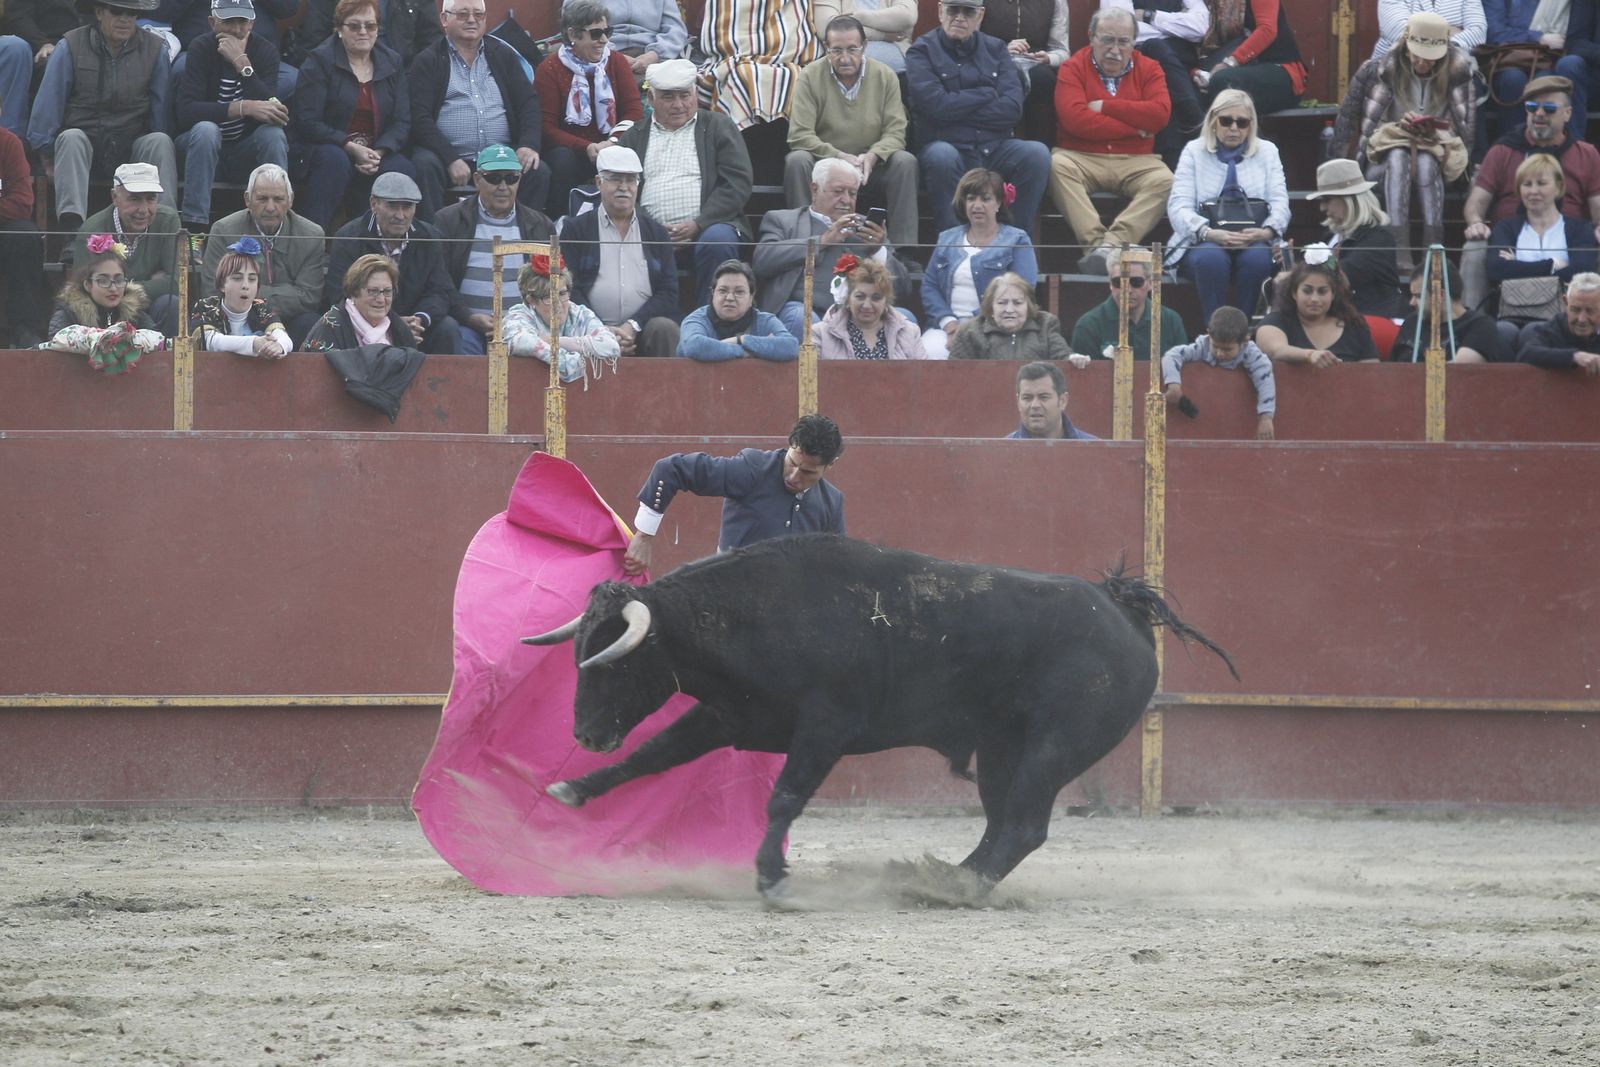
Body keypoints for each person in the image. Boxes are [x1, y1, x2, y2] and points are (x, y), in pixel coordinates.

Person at [1331, 12, 1475, 275]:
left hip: (1438, 156)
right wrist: (1338, 172)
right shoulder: (1378, 69)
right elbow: (1346, 117)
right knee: (1399, 155)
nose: (1421, 62)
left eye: (1430, 58)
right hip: (1383, 157)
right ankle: (1400, 249)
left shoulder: (1458, 72)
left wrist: (1434, 131)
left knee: (1424, 159)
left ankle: (1433, 246)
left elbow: (1466, 130)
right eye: (1416, 54)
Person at [623, 412, 846, 574]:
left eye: (807, 472)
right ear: (789, 447)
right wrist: (644, 536)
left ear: (831, 465)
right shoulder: (752, 469)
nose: (794, 477)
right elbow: (671, 469)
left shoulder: (831, 502)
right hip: (729, 594)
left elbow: (835, 566)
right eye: (791, 463)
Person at [27, 0, 177, 231]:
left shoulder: (156, 49)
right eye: (117, 11)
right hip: (84, 146)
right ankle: (72, 231)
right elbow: (48, 103)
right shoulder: (70, 44)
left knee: (160, 140)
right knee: (71, 137)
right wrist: (47, 156)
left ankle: (165, 232)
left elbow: (161, 115)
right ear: (99, 12)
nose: (125, 18)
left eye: (132, 12)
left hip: (130, 147)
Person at [905, 0, 1052, 236]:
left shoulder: (996, 49)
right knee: (941, 156)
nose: (960, 17)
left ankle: (1014, 243)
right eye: (953, 10)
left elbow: (1012, 109)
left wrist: (956, 105)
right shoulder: (921, 51)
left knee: (1036, 154)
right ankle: (954, 248)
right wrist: (986, 93)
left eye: (968, 11)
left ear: (980, 15)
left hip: (995, 147)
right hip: (949, 146)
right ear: (941, 11)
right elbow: (936, 106)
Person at [615, 58, 752, 307]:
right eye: (668, 97)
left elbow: (737, 183)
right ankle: (650, 329)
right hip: (650, 233)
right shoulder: (633, 137)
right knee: (627, 243)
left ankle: (709, 323)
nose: (678, 105)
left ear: (696, 94)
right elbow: (618, 189)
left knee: (718, 240)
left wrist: (699, 223)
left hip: (710, 228)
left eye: (685, 96)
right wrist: (650, 227)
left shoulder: (718, 126)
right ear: (651, 99)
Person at [1050, 8, 1174, 274]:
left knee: (1165, 180)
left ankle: (1112, 244)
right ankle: (1097, 245)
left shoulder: (1150, 69)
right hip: (1080, 156)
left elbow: (1160, 115)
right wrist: (1136, 126)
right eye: (1107, 39)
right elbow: (1075, 120)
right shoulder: (1072, 67)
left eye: (1123, 41)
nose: (1115, 49)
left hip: (1137, 160)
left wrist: (1105, 106)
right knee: (1055, 165)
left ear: (1133, 42)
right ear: (1091, 37)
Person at [1462, 76, 1600, 309]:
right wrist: (1476, 223)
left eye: (1549, 109)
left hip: (1572, 240)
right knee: (1474, 249)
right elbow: (1476, 203)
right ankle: (1471, 326)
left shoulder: (1586, 154)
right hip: (1509, 239)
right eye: (1532, 108)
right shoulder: (1502, 150)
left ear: (1567, 113)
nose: (1539, 115)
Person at [784, 15, 919, 251]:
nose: (845, 58)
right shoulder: (809, 76)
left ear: (865, 47)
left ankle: (903, 251)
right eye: (836, 50)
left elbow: (896, 130)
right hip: (826, 166)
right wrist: (838, 157)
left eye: (852, 49)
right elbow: (799, 135)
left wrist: (874, 155)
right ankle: (806, 244)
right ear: (826, 48)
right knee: (797, 160)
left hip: (870, 167)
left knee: (905, 162)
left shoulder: (885, 76)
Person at [407, 0, 549, 221]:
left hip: (501, 156)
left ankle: (525, 241)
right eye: (463, 14)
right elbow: (420, 118)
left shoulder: (503, 55)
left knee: (538, 171)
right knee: (423, 164)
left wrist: (528, 145)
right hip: (449, 157)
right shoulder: (428, 60)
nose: (472, 20)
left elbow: (528, 104)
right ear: (445, 20)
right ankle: (434, 241)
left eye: (478, 14)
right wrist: (450, 158)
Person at [289, 0, 418, 231]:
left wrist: (378, 152)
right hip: (328, 147)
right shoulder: (318, 61)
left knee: (402, 169)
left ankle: (388, 244)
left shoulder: (393, 62)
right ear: (339, 29)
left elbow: (402, 121)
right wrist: (349, 146)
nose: (363, 32)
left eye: (370, 26)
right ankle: (313, 239)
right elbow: (308, 121)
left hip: (376, 149)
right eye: (354, 26)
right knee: (334, 161)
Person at [1167, 88, 1288, 320]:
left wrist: (1265, 232)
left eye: (1242, 122)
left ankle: (1243, 331)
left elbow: (1280, 201)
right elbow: (1178, 205)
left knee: (1257, 260)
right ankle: (1216, 331)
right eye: (1226, 121)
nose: (1234, 128)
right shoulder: (1194, 151)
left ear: (1250, 125)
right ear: (1213, 121)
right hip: (1205, 237)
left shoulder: (1268, 151)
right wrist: (1208, 233)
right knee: (1210, 259)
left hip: (1254, 237)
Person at [755, 156, 905, 342]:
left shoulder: (869, 230)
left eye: (852, 193)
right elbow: (762, 261)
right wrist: (823, 240)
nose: (846, 200)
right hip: (805, 309)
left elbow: (903, 287)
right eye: (838, 191)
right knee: (801, 316)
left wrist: (878, 250)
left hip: (861, 313)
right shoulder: (783, 221)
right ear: (815, 189)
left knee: (906, 320)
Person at [174, 0, 289, 233]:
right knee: (207, 130)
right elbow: (186, 112)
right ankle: (194, 231)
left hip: (242, 152)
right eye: (229, 22)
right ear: (212, 23)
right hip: (198, 149)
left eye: (242, 22)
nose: (237, 30)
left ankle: (276, 227)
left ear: (252, 23)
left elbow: (275, 112)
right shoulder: (200, 48)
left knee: (273, 134)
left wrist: (243, 65)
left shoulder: (265, 51)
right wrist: (242, 107)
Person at [434, 144, 556, 356]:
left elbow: (551, 283)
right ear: (477, 179)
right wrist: (468, 317)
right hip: (467, 325)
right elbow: (439, 280)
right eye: (494, 178)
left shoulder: (540, 225)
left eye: (511, 178)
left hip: (524, 329)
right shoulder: (448, 220)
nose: (503, 186)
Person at [562, 144, 682, 358]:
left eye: (631, 180)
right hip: (588, 328)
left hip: (640, 330)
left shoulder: (656, 233)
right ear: (599, 182)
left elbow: (668, 292)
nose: (624, 187)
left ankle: (668, 392)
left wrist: (632, 326)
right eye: (616, 179)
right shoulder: (576, 229)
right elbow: (568, 288)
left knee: (665, 328)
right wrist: (599, 329)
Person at [325, 171, 463, 354]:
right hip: (362, 325)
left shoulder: (430, 237)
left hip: (417, 327)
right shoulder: (348, 237)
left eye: (407, 207)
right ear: (374, 204)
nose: (400, 215)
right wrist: (393, 324)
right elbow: (340, 295)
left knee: (448, 328)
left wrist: (420, 319)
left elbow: (441, 290)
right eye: (392, 206)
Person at [535, 0, 642, 219]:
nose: (603, 40)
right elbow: (546, 128)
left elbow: (633, 113)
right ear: (573, 34)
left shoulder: (617, 62)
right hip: (573, 150)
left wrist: (611, 143)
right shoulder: (550, 69)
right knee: (562, 160)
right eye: (595, 34)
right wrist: (588, 147)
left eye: (607, 32)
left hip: (613, 144)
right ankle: (561, 225)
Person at [201, 164, 327, 347]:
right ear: (247, 199)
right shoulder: (223, 230)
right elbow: (213, 291)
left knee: (310, 321)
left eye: (278, 199)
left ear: (290, 200)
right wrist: (286, 290)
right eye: (262, 199)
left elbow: (309, 297)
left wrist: (246, 292)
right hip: (238, 319)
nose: (270, 207)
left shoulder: (312, 234)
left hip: (290, 321)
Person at [921, 167, 1037, 358]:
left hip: (996, 326)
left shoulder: (1017, 239)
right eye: (971, 198)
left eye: (985, 198)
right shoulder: (946, 238)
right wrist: (950, 325)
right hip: (946, 326)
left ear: (998, 202)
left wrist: (970, 325)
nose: (977, 205)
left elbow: (1023, 288)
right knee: (929, 352)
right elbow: (929, 285)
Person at [1486, 152, 1600, 325]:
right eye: (1527, 184)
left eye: (1541, 183)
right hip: (1512, 314)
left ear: (1559, 187)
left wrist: (1516, 265)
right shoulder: (1506, 227)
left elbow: (1582, 272)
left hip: (1564, 317)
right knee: (1503, 332)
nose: (1533, 191)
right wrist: (1553, 265)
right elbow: (1497, 269)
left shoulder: (1580, 228)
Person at [67, 162, 179, 335]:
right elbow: (82, 290)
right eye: (134, 199)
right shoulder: (92, 229)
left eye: (150, 199)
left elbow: (178, 283)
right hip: (106, 314)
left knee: (170, 303)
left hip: (152, 310)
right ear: (114, 197)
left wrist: (113, 286)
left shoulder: (168, 221)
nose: (143, 210)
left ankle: (167, 359)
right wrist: (151, 283)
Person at [1103, 0, 1211, 165]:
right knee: (1156, 47)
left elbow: (1201, 27)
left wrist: (1149, 16)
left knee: (1168, 91)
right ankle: (1194, 119)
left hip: (1182, 65)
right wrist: (1178, 24)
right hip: (1142, 62)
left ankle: (1174, 168)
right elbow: (1124, 31)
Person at [42, 234, 166, 373]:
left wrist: (126, 338)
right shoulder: (69, 310)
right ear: (88, 285)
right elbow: (56, 339)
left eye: (118, 280)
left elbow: (156, 338)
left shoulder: (134, 311)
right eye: (103, 280)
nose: (113, 288)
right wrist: (101, 338)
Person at [1304, 158, 1404, 320]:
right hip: (1336, 321)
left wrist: (1300, 271)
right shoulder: (1330, 237)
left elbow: (1344, 274)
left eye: (1327, 200)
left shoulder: (1379, 238)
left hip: (1375, 321)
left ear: (1349, 199)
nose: (1322, 207)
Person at [697, 0, 819, 131]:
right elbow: (725, 34)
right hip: (736, 61)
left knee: (789, 77)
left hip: (793, 59)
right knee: (741, 77)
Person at [1161, 305, 1277, 439]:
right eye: (1215, 346)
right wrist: (1173, 384)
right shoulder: (1203, 346)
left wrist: (1266, 417)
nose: (1219, 353)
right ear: (1209, 334)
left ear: (1244, 341)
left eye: (1227, 349)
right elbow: (1172, 355)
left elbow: (1265, 379)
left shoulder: (1251, 354)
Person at [501, 253, 621, 382]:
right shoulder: (519, 314)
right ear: (531, 301)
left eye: (562, 294)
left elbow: (611, 346)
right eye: (548, 297)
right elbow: (520, 341)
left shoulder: (579, 313)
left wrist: (552, 341)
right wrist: (567, 361)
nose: (557, 304)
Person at [1482, 0, 1589, 136]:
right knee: (1513, 80)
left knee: (1545, 83)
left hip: (1550, 59)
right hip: (1509, 59)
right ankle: (1511, 147)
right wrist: (1539, 38)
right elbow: (1494, 33)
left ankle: (1548, 150)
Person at [1070, 248, 1188, 360]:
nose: (1127, 289)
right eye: (1119, 282)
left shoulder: (1171, 321)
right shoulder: (1088, 326)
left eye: (1136, 282)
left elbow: (1183, 372)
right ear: (1110, 283)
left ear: (1151, 283)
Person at [1255, 259, 1379, 365]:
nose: (1314, 299)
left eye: (1322, 291)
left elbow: (1371, 373)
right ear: (1294, 293)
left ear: (1333, 294)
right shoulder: (1275, 321)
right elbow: (1277, 351)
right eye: (1307, 291)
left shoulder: (1354, 325)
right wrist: (1309, 355)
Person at [1196, 0, 1306, 117]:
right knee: (1195, 88)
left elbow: (1267, 30)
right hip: (1240, 69)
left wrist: (1229, 62)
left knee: (1223, 82)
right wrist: (1198, 74)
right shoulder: (1207, 4)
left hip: (1280, 69)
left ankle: (1246, 134)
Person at [679, 258, 800, 363]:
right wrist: (744, 352)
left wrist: (741, 339)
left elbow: (791, 347)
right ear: (713, 293)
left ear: (751, 297)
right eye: (723, 290)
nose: (730, 298)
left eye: (739, 292)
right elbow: (695, 346)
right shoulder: (696, 319)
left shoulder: (765, 321)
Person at [189, 237, 293, 358]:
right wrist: (253, 343)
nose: (245, 286)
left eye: (252, 279)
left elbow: (283, 337)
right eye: (237, 278)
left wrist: (279, 346)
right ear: (222, 284)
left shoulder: (261, 307)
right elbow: (210, 341)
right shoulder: (205, 307)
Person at [1390, 256, 1506, 363]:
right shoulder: (1412, 323)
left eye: (1418, 296)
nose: (1412, 302)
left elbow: (1457, 371)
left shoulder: (1480, 326)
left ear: (1439, 295)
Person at [303, 252, 417, 350]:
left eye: (387, 291)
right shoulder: (329, 328)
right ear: (354, 292)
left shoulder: (400, 330)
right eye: (373, 291)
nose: (381, 300)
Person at [816, 255, 924, 359]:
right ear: (847, 299)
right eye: (860, 297)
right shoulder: (820, 333)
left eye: (876, 298)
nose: (867, 305)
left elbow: (923, 375)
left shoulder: (910, 332)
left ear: (886, 300)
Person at [950, 271, 1073, 360]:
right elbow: (955, 373)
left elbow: (1062, 355)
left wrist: (1072, 358)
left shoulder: (1045, 324)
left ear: (1028, 306)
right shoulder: (971, 331)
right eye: (1002, 303)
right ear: (991, 306)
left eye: (1017, 303)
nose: (1009, 309)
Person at [0, 123, 47, 347]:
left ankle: (24, 328)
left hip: (3, 231)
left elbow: (22, 205)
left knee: (25, 234)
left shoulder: (8, 143)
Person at [291, 0, 440, 69]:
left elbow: (431, 39)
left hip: (402, 73)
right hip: (342, 74)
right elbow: (313, 41)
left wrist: (416, 76)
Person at [1515, 271, 1600, 372]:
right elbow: (1526, 354)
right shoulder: (1556, 326)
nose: (1582, 319)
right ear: (1565, 302)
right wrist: (1574, 356)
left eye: (1590, 311)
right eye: (1575, 310)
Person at [588, 0, 690, 76]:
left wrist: (655, 54)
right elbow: (580, 26)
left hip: (654, 55)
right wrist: (611, 54)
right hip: (604, 53)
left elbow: (676, 29)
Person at [810, 0, 916, 72]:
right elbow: (827, 28)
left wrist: (860, 18)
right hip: (842, 73)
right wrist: (883, 35)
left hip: (899, 72)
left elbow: (907, 17)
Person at [1370, 0, 1487, 60]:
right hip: (1398, 63)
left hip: (1452, 63)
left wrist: (1443, 47)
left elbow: (1478, 31)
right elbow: (1398, 30)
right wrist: (1448, 30)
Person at [1007, 360, 1097, 438]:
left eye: (1043, 397)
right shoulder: (1001, 452)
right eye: (1027, 398)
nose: (1035, 405)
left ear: (1062, 401)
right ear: (1018, 402)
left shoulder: (1095, 450)